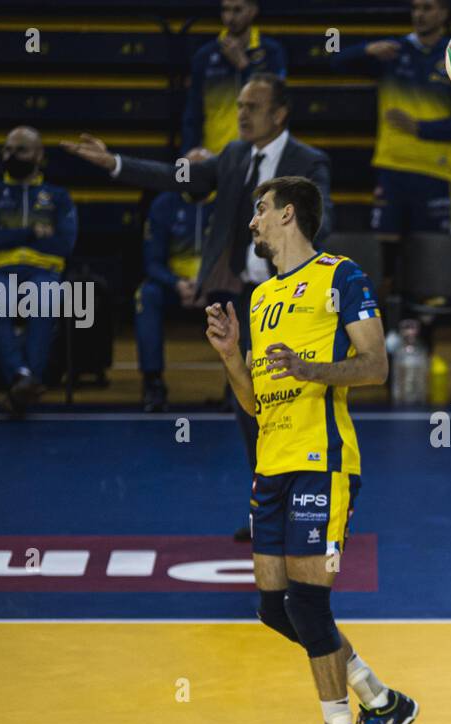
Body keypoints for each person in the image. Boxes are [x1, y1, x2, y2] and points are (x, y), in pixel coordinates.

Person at [204, 175, 417, 724]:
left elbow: (375, 366)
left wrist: (311, 370)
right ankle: (382, 702)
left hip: (322, 464)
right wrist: (231, 358)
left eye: (260, 211)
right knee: (276, 608)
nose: (252, 223)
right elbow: (254, 401)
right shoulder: (262, 296)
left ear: (288, 213)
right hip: (270, 466)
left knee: (309, 605)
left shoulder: (341, 276)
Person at [64, 75, 332, 537]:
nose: (242, 114)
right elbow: (175, 176)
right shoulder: (232, 156)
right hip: (246, 300)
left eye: (252, 106)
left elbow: (324, 230)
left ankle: (309, 509)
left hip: (294, 304)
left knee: (297, 409)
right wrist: (115, 163)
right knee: (248, 407)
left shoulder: (309, 162)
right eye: (240, 105)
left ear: (279, 114)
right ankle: (265, 509)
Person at [330, 0, 451, 302]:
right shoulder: (392, 51)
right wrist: (365, 50)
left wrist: (419, 128)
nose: (420, 14)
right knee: (384, 258)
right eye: (415, 8)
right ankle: (386, 332)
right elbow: (334, 60)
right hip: (392, 167)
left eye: (428, 7)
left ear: (444, 12)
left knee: (430, 259)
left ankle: (421, 336)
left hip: (434, 170)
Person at [0, 126, 78, 416]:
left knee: (44, 301)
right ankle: (24, 379)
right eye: (7, 149)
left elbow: (64, 244)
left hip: (43, 271)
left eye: (21, 150)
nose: (12, 155)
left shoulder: (57, 196)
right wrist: (32, 232)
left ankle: (21, 385)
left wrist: (13, 235)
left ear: (39, 155)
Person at [134, 147, 216, 411]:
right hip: (175, 285)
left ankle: (238, 388)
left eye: (200, 172)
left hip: (217, 285)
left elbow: (241, 258)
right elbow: (152, 262)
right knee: (146, 295)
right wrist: (177, 284)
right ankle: (153, 382)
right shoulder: (164, 204)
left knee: (250, 296)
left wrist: (209, 283)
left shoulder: (229, 203)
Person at [181, 0, 287, 154]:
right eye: (226, 10)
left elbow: (277, 100)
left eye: (237, 10)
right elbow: (193, 111)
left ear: (253, 11)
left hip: (258, 152)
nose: (230, 18)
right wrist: (188, 151)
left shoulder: (272, 52)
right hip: (214, 153)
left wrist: (244, 66)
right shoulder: (205, 55)